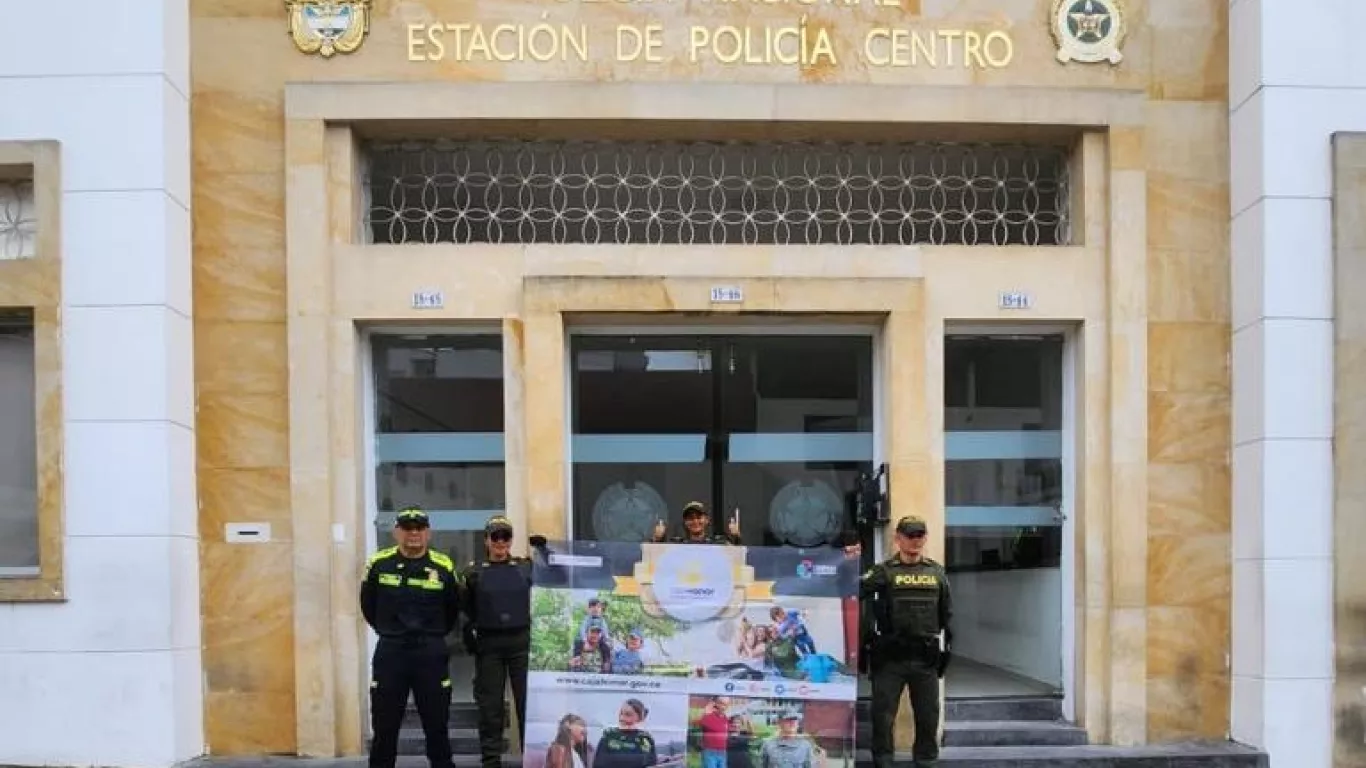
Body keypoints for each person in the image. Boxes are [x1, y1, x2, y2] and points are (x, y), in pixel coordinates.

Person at [360, 506, 461, 768]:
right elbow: (368, 606)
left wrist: (431, 635)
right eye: (407, 528)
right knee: (384, 728)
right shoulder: (378, 564)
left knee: (437, 727)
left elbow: (452, 609)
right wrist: (391, 631)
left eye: (419, 528)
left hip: (430, 653)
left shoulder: (443, 565)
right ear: (397, 532)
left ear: (428, 533)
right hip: (391, 653)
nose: (413, 533)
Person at [856, 515, 953, 768]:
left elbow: (947, 616)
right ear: (897, 538)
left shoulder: (936, 573)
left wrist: (946, 653)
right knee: (883, 716)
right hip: (890, 658)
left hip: (925, 659)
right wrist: (848, 560)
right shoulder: (883, 571)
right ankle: (883, 761)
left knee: (928, 717)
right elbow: (852, 590)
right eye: (909, 535)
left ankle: (926, 761)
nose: (915, 540)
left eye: (920, 535)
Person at [459, 515, 537, 768]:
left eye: (506, 536)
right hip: (489, 646)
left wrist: (545, 551)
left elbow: (557, 577)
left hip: (521, 643)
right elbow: (464, 609)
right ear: (486, 540)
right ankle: (491, 762)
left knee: (528, 707)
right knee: (490, 709)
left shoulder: (526, 567)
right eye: (496, 536)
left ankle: (532, 760)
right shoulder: (473, 572)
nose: (501, 542)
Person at [592, 698, 658, 768]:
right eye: (621, 714)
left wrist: (616, 759)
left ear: (639, 718)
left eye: (628, 715)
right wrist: (640, 760)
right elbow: (599, 764)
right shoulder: (609, 736)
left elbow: (651, 763)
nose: (622, 718)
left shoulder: (646, 739)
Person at [651, 501, 742, 544]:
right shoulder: (677, 544)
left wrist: (736, 537)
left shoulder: (717, 543)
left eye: (699, 517)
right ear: (685, 523)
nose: (695, 521)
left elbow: (737, 557)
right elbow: (656, 558)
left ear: (707, 520)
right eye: (690, 518)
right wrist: (657, 539)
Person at [697, 696, 731, 768]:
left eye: (726, 704)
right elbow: (698, 723)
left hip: (722, 751)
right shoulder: (709, 716)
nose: (723, 707)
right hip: (710, 751)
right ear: (716, 704)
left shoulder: (726, 719)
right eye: (722, 704)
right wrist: (705, 711)